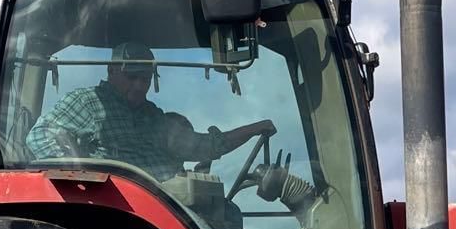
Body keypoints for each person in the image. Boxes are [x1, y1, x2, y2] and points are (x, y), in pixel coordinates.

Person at [24, 41, 271, 178]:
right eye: (132, 77)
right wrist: (78, 175)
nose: (140, 85)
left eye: (146, 78)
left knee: (226, 217)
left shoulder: (153, 116)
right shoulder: (89, 102)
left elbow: (203, 146)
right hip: (117, 208)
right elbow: (40, 135)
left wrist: (254, 129)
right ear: (111, 71)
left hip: (168, 206)